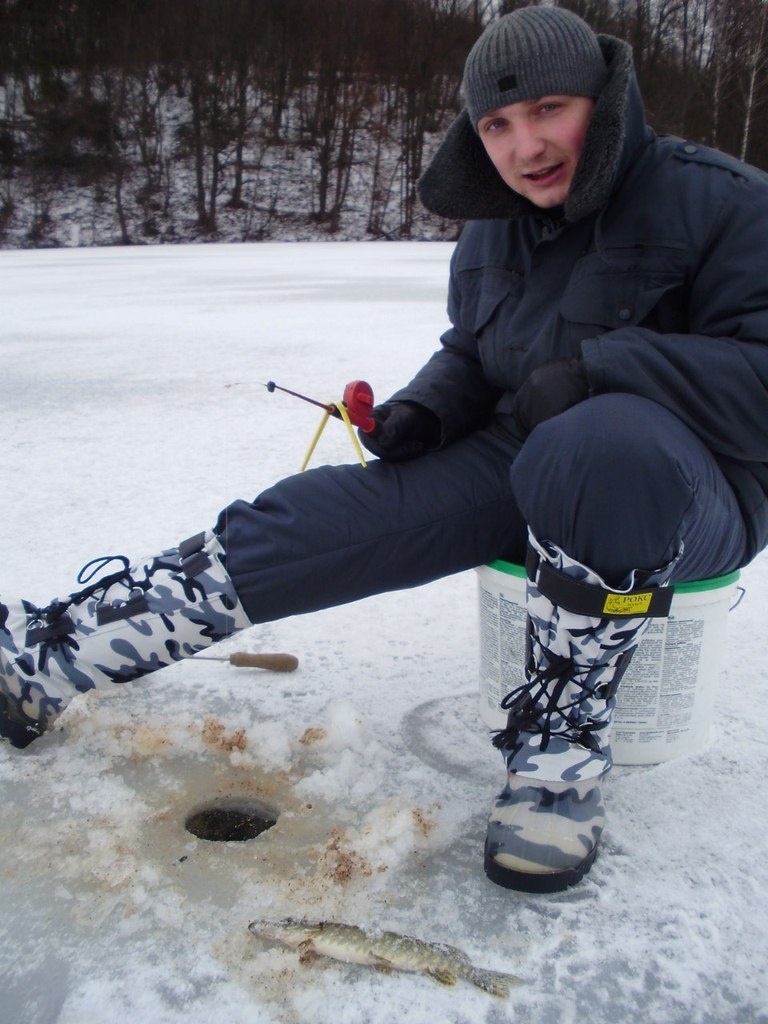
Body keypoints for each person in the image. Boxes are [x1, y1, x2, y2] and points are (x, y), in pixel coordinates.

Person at [2, 5, 767, 894]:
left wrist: (604, 371)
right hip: (519, 456)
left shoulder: (722, 202)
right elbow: (471, 355)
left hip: (688, 490)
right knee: (316, 515)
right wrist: (423, 414)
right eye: (497, 124)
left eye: (549, 110)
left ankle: (558, 757)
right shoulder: (495, 225)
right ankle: (57, 653)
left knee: (602, 444)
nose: (525, 147)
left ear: (606, 99)